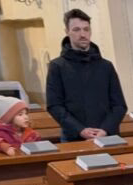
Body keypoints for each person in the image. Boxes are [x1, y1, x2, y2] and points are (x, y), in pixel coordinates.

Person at [46, 9, 127, 142]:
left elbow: (119, 105)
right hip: (74, 137)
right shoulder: (57, 66)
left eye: (86, 29)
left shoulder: (106, 66)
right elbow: (54, 105)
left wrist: (105, 130)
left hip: (107, 136)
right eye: (76, 29)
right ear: (67, 32)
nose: (83, 34)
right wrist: (80, 130)